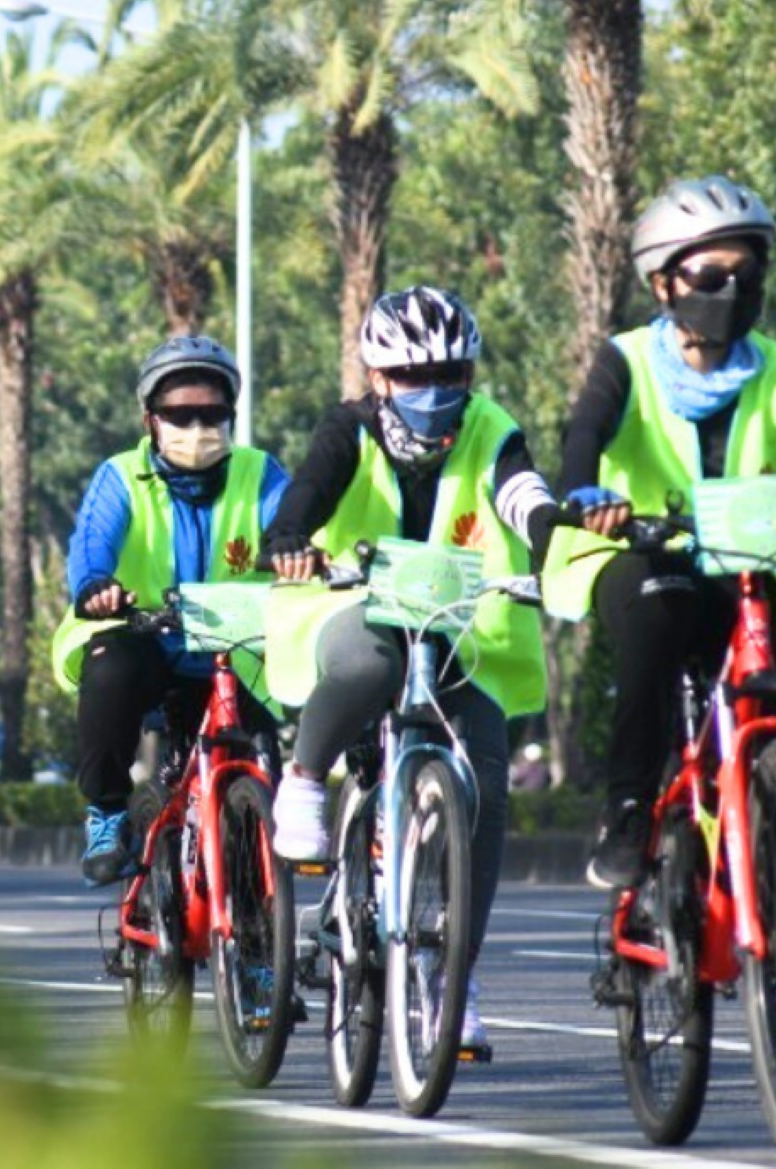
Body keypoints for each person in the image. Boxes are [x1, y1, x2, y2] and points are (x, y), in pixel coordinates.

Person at [543, 176, 776, 889]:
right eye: (708, 275)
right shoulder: (627, 359)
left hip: (750, 563)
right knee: (656, 610)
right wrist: (583, 491)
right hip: (644, 554)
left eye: (746, 274)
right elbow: (586, 430)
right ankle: (628, 810)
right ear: (663, 283)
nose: (730, 291)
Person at [263, 286, 559, 1054]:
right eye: (413, 375)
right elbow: (306, 493)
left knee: (485, 781)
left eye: (450, 375)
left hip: (457, 629)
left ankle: (453, 973)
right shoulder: (348, 429)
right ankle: (305, 779)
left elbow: (521, 491)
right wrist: (289, 536)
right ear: (378, 377)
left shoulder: (490, 428)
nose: (434, 391)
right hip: (352, 609)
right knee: (373, 662)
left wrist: (549, 536)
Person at [53, 335, 290, 886]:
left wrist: (299, 553)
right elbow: (91, 543)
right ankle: (107, 813)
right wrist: (94, 585)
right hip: (142, 639)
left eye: (213, 414)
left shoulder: (260, 473)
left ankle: (256, 918)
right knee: (112, 671)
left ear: (232, 416)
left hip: (232, 653)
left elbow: (291, 526)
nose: (198, 427)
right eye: (180, 415)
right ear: (150, 420)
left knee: (263, 766)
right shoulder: (119, 477)